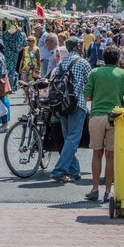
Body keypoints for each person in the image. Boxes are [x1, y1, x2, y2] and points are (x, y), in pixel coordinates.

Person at [84, 46, 124, 202]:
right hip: (115, 117)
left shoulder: (94, 73)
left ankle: (94, 189)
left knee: (96, 153)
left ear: (103, 58)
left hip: (97, 116)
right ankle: (108, 191)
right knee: (111, 156)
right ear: (118, 59)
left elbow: (87, 97)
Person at [50, 37, 92, 183]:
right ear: (78, 46)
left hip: (62, 104)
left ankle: (74, 171)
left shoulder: (62, 62)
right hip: (77, 103)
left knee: (68, 138)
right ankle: (59, 170)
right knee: (73, 139)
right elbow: (90, 82)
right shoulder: (82, 62)